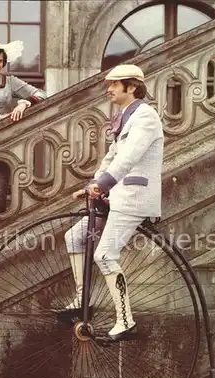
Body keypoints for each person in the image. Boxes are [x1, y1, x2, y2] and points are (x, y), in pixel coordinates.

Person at [64, 64, 164, 343]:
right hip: (114, 197)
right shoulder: (125, 117)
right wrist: (92, 185)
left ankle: (125, 319)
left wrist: (102, 184)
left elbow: (129, 157)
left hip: (133, 199)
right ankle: (82, 299)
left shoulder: (145, 117)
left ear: (131, 86)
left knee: (105, 255)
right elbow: (111, 157)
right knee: (74, 237)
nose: (107, 89)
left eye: (113, 84)